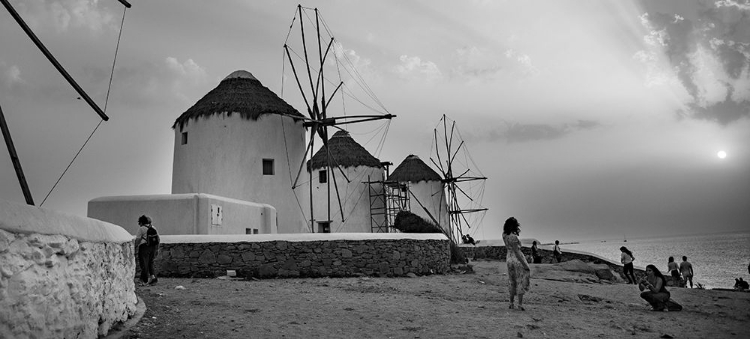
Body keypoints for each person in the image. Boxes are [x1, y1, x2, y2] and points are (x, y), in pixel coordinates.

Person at [502, 217, 530, 311]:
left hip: (509, 258)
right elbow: (517, 252)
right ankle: (520, 304)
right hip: (516, 259)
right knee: (520, 281)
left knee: (511, 280)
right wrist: (525, 264)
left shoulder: (504, 235)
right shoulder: (513, 237)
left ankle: (511, 302)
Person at [134, 215, 160, 286]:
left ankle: (144, 280)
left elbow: (138, 239)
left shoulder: (142, 229)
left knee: (144, 264)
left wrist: (135, 246)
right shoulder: (153, 227)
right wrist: (157, 249)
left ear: (141, 222)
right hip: (153, 247)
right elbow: (158, 239)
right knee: (150, 263)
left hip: (144, 247)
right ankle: (153, 278)